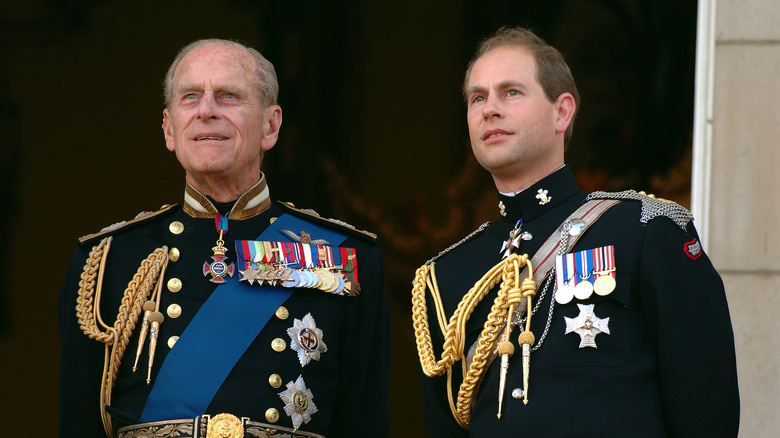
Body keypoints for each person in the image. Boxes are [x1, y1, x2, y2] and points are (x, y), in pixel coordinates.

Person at [411, 26, 739, 437]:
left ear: (562, 112)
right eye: (478, 97)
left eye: (511, 92)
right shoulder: (446, 276)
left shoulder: (644, 231)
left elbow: (706, 411)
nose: (489, 108)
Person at [59, 38, 390, 438]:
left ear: (270, 125)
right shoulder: (107, 260)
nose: (206, 111)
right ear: (168, 128)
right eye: (190, 97)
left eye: (228, 96)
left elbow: (363, 420)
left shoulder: (343, 256)